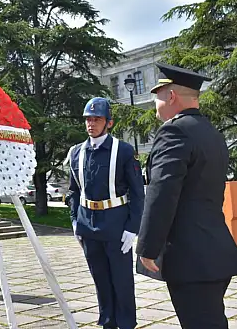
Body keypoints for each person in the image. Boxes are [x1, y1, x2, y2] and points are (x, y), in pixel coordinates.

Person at [135, 63, 237, 329]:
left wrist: (148, 247)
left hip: (190, 257)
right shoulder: (211, 132)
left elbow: (162, 192)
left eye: (157, 96)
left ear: (171, 96)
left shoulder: (174, 131)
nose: (155, 103)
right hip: (214, 250)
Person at [65, 97, 145, 329]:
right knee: (100, 280)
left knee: (121, 281)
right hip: (88, 226)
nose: (91, 124)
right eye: (88, 119)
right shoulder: (76, 153)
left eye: (97, 119)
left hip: (116, 226)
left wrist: (132, 228)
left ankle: (127, 324)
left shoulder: (124, 151)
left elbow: (138, 193)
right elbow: (73, 191)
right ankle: (107, 323)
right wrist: (74, 221)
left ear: (109, 123)